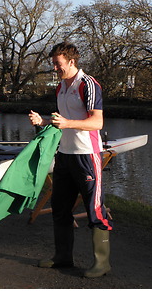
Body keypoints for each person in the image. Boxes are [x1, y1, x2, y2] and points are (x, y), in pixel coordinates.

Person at [29, 42, 112, 278]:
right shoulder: (60, 87)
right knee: (60, 208)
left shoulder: (88, 84)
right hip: (64, 155)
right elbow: (62, 120)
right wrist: (43, 121)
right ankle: (63, 257)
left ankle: (102, 263)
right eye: (53, 63)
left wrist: (66, 123)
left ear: (71, 61)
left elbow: (97, 123)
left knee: (95, 209)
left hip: (86, 156)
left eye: (58, 63)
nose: (54, 67)